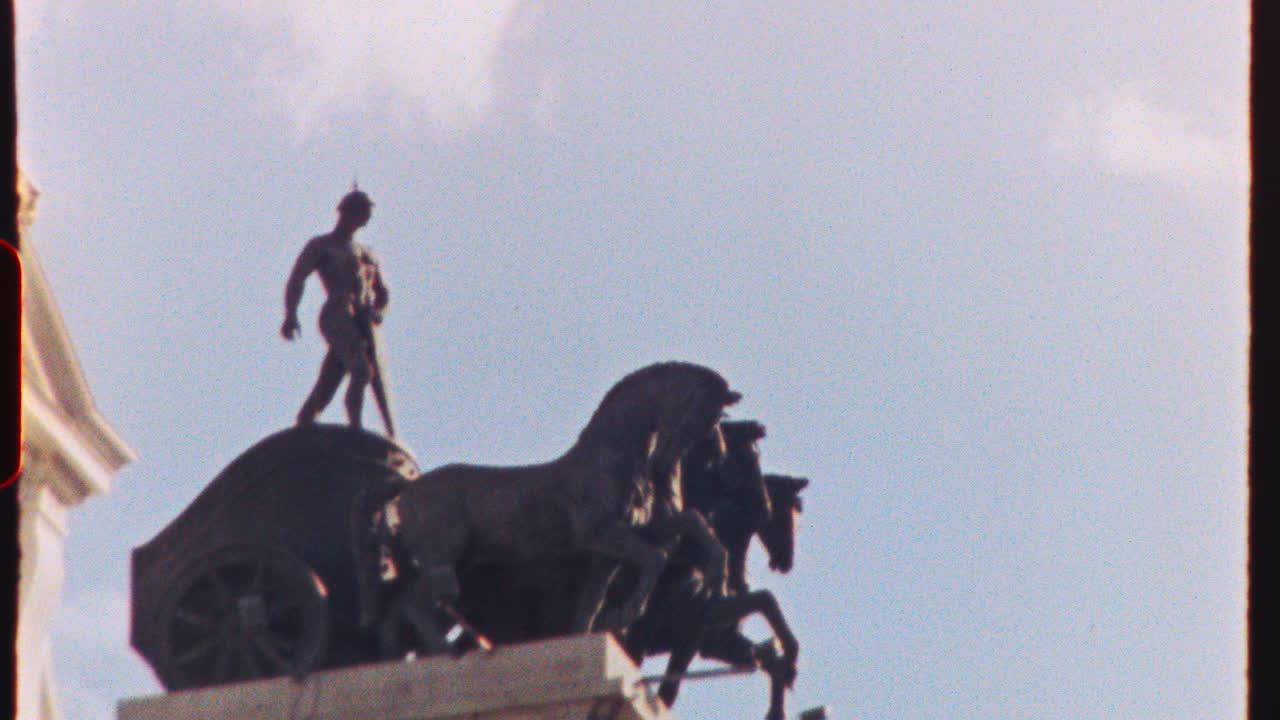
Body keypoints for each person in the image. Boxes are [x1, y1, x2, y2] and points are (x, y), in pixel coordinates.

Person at [281, 187, 393, 434]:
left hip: (361, 319)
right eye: (363, 212)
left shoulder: (368, 253)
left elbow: (382, 292)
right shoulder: (323, 245)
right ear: (347, 212)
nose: (367, 218)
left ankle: (306, 419)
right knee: (362, 370)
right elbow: (297, 278)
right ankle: (355, 427)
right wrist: (291, 314)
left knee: (330, 379)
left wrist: (377, 312)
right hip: (337, 313)